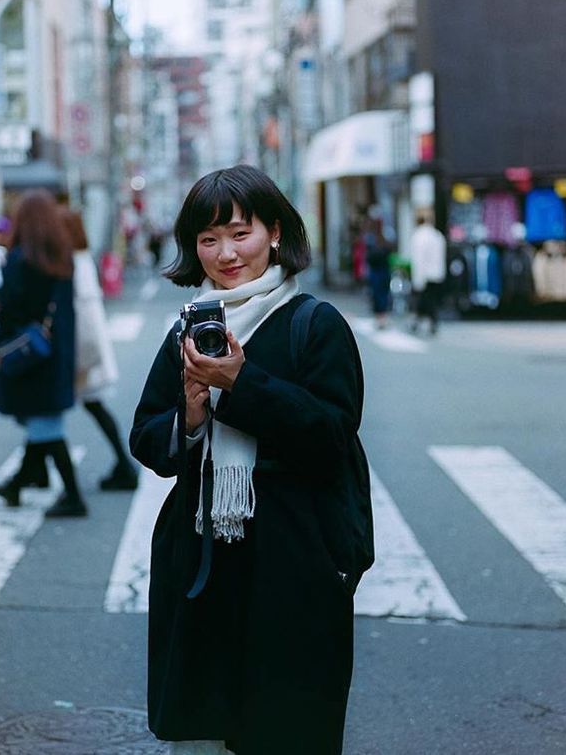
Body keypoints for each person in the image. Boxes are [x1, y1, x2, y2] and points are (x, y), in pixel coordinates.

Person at [130, 165, 365, 755]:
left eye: (240, 233)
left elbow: (332, 435)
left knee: (287, 728)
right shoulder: (190, 327)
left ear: (277, 232)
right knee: (209, 730)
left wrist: (240, 386)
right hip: (205, 557)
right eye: (208, 239)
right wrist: (188, 415)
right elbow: (147, 438)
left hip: (294, 558)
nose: (225, 253)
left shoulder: (315, 324)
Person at [0, 190, 86, 518]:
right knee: (43, 421)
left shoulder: (21, 260)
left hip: (30, 354)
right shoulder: (62, 259)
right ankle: (18, 482)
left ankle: (73, 496)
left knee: (46, 427)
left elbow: (9, 310)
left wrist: (1, 343)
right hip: (54, 354)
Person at [60, 207, 139, 491]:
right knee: (89, 407)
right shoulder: (81, 259)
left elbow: (82, 315)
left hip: (85, 350)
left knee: (48, 413)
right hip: (90, 348)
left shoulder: (72, 262)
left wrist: (81, 359)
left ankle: (124, 466)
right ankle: (124, 465)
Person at [409, 214, 447, 334]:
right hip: (437, 273)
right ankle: (427, 322)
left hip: (425, 274)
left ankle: (419, 321)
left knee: (424, 300)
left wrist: (417, 279)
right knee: (431, 300)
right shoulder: (437, 235)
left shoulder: (419, 236)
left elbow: (418, 259)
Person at [364, 218, 393, 328]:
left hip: (380, 270)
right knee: (379, 294)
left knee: (381, 294)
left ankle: (381, 316)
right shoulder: (372, 238)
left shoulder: (380, 237)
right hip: (378, 270)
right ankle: (380, 316)